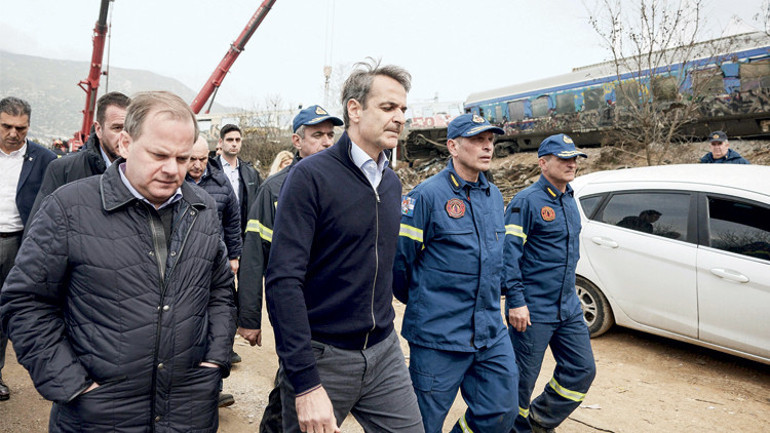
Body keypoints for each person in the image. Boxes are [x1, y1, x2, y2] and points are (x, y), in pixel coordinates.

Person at [0, 91, 236, 432]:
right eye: (159, 155)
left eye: (183, 158)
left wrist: (215, 361)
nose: (173, 170)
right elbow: (25, 302)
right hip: (96, 415)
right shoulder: (69, 207)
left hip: (188, 413)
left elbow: (220, 291)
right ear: (125, 143)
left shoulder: (202, 208)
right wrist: (73, 385)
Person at [265, 59, 423, 433]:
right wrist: (305, 383)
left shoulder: (391, 183)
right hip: (323, 358)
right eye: (388, 107)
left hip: (383, 352)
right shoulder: (310, 178)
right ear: (354, 109)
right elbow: (283, 281)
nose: (399, 117)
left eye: (403, 109)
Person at [393, 114, 518, 433]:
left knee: (502, 413)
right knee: (423, 423)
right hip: (439, 335)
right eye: (478, 140)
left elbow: (497, 259)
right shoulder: (426, 196)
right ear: (452, 146)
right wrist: (427, 303)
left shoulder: (493, 196)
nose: (488, 146)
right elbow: (401, 265)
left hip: (489, 331)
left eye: (490, 140)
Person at [239, 104, 342, 433]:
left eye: (330, 135)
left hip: (336, 309)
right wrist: (249, 317)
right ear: (297, 140)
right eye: (317, 135)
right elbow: (255, 255)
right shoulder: (274, 190)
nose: (326, 142)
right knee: (297, 379)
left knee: (299, 381)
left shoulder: (346, 183)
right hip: (295, 308)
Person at [503, 133, 597, 433]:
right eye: (563, 158)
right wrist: (516, 301)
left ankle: (538, 422)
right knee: (520, 383)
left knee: (582, 370)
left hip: (568, 307)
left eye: (574, 158)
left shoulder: (570, 199)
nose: (571, 164)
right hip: (532, 310)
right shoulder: (526, 202)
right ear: (543, 163)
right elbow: (509, 257)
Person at [0, 96, 57, 402]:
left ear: (28, 127)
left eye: (20, 128)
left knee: (9, 311)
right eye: (6, 126)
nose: (13, 133)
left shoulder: (44, 159)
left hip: (19, 244)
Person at [27, 91, 131, 226]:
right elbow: (40, 229)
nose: (124, 137)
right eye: (117, 128)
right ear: (98, 129)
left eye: (129, 129)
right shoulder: (63, 170)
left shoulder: (143, 173)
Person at [186, 136, 242, 274]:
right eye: (192, 159)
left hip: (215, 259)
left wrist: (233, 256)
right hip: (183, 260)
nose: (198, 165)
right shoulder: (172, 182)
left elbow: (232, 221)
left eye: (202, 159)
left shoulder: (221, 181)